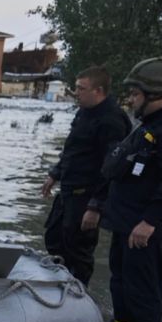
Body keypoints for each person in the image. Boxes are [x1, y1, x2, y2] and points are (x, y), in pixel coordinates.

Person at [84, 57, 162, 322]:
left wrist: (150, 221)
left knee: (142, 284)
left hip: (145, 224)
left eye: (135, 94)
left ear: (154, 94)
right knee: (121, 278)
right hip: (126, 219)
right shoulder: (151, 124)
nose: (130, 99)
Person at [40, 66, 132, 286]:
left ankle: (78, 292)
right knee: (54, 238)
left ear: (98, 91)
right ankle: (58, 284)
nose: (76, 93)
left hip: (87, 195)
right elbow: (73, 149)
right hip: (69, 189)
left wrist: (96, 206)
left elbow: (111, 168)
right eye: (76, 87)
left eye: (81, 88)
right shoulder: (84, 112)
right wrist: (54, 174)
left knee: (78, 249)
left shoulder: (112, 120)